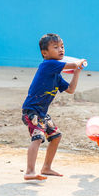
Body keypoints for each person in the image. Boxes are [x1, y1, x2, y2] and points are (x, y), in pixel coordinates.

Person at [22, 33, 86, 180]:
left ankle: (46, 167)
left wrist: (77, 73)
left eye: (62, 47)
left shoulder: (56, 75)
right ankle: (29, 171)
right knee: (37, 137)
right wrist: (79, 62)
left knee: (56, 136)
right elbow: (72, 64)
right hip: (32, 111)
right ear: (45, 53)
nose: (61, 50)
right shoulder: (48, 65)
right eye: (56, 47)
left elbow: (70, 90)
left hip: (42, 113)